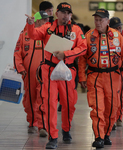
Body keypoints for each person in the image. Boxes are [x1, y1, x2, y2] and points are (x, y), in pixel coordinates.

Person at [25, 2, 87, 149]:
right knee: (50, 104)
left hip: (67, 72)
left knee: (68, 104)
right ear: (57, 14)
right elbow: (33, 34)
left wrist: (66, 54)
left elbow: (83, 48)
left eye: (68, 13)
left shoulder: (76, 30)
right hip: (49, 71)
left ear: (71, 15)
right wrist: (30, 24)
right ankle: (52, 136)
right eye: (63, 13)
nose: (66, 16)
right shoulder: (47, 28)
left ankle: (66, 129)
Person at [78, 9, 123, 148]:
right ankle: (98, 136)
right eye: (96, 20)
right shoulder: (89, 36)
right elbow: (82, 58)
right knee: (97, 108)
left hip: (113, 77)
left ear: (108, 21)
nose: (98, 22)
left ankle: (107, 134)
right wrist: (82, 77)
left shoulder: (117, 35)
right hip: (94, 76)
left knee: (112, 108)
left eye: (101, 20)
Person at [14, 11, 49, 136]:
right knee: (30, 99)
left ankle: (43, 126)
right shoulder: (24, 35)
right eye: (45, 20)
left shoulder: (48, 35)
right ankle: (32, 123)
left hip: (45, 74)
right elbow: (17, 53)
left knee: (43, 98)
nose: (47, 22)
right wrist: (20, 67)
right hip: (29, 74)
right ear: (38, 21)